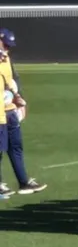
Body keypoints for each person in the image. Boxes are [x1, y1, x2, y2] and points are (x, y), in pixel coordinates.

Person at [0, 29, 46, 198]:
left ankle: (24, 181)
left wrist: (19, 99)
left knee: (16, 147)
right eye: (5, 44)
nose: (7, 48)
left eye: (9, 46)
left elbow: (12, 80)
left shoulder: (6, 59)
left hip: (9, 110)